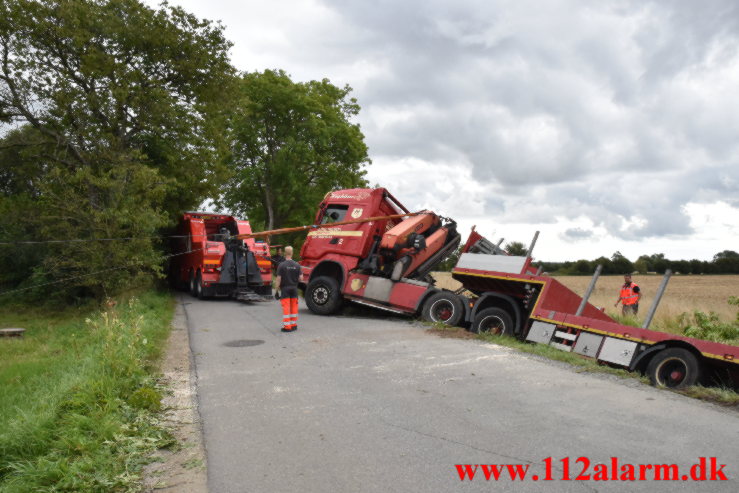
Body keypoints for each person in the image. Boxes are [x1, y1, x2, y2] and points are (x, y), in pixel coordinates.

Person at [274, 246, 302, 332]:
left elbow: (278, 279)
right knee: (294, 306)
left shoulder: (281, 265)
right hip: (294, 288)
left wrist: (276, 290)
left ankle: (287, 327)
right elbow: (301, 278)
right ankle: (293, 325)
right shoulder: (297, 265)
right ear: (292, 253)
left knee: (286, 307)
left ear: (285, 253)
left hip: (285, 289)